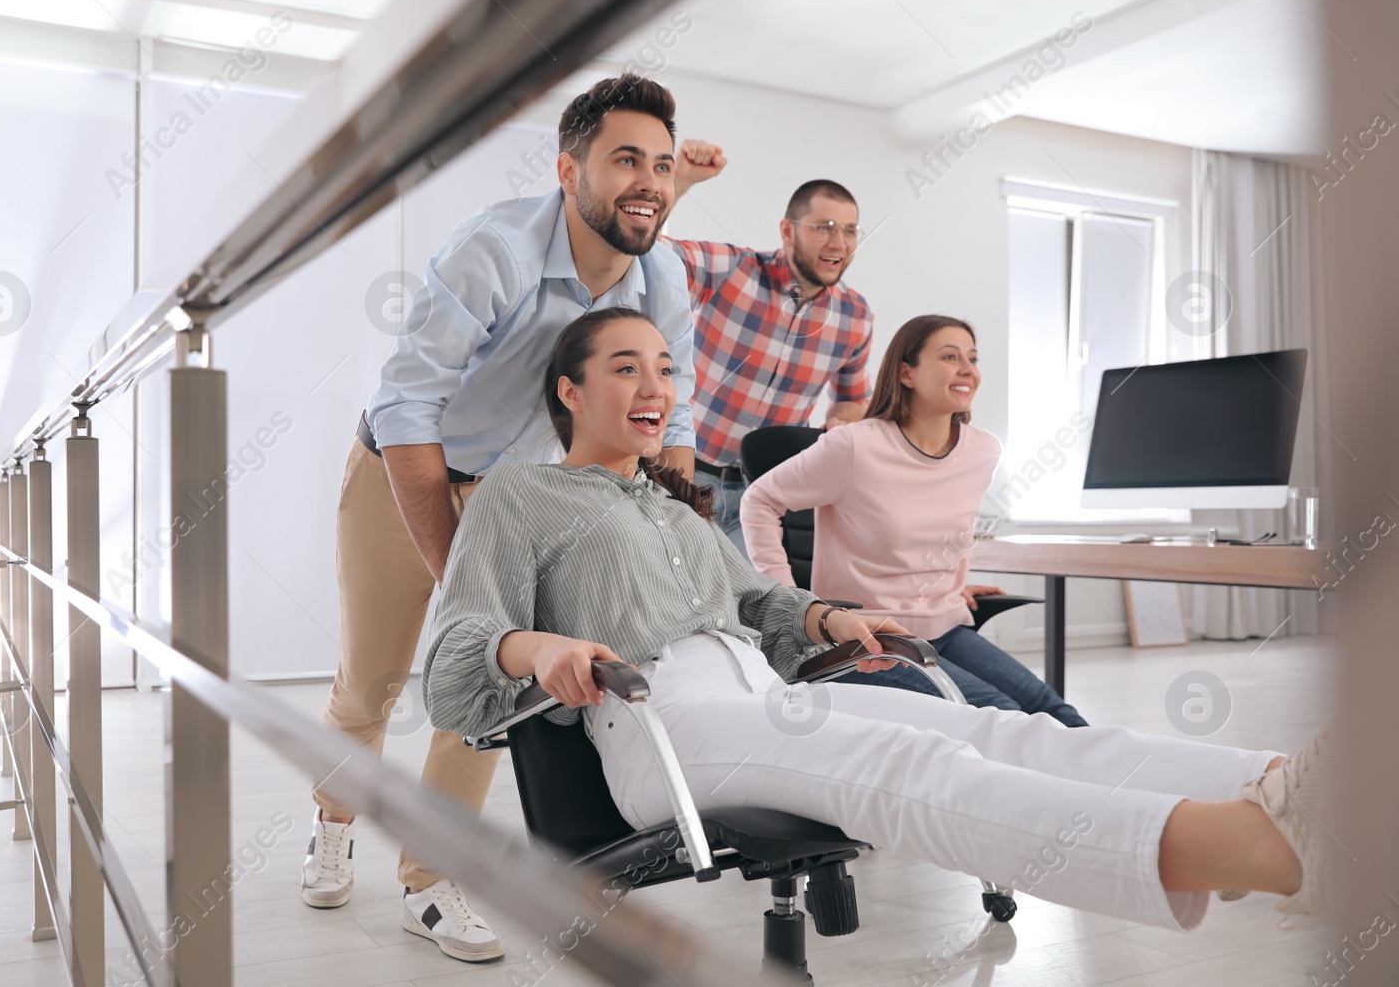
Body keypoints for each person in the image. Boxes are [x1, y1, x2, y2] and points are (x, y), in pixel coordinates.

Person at [421, 307, 1332, 935]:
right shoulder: (521, 496)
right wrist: (535, 645)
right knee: (907, 761)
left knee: (999, 729)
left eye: (665, 367)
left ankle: (1284, 786)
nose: (656, 385)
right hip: (661, 724)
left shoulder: (671, 503)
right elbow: (452, 665)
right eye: (626, 368)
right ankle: (1247, 848)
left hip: (760, 693)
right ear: (569, 393)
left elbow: (755, 604)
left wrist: (822, 614)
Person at [306, 75, 698, 963]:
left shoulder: (661, 274)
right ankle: (333, 821)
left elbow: (671, 412)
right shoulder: (493, 251)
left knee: (483, 691)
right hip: (402, 467)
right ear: (569, 169)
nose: (650, 180)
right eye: (625, 159)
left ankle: (430, 882)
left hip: (517, 491)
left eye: (664, 166)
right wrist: (455, 572)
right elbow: (408, 409)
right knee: (371, 680)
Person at [740, 314, 1087, 726]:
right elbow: (759, 500)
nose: (967, 370)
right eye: (949, 356)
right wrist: (794, 604)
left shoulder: (983, 451)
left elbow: (950, 527)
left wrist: (952, 584)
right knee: (1008, 719)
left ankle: (1128, 790)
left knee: (1056, 712)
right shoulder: (854, 446)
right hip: (869, 635)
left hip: (948, 624)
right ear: (906, 373)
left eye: (972, 359)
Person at [659, 141, 876, 554]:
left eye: (850, 231)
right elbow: (649, 251)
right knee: (671, 605)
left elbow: (850, 402)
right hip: (685, 479)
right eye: (825, 227)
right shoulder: (733, 270)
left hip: (764, 494)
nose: (839, 242)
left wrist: (843, 425)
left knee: (748, 613)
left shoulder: (856, 316)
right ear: (788, 230)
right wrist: (681, 179)